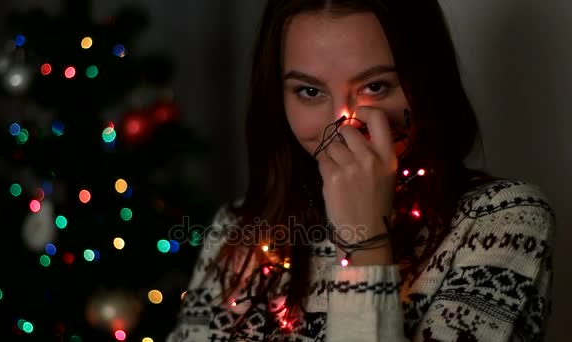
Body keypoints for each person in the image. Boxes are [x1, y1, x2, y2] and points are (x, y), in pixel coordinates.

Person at [167, 0, 556, 341]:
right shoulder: (238, 233)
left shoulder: (502, 220)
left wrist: (366, 240)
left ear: (425, 82)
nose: (343, 121)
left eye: (375, 86)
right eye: (309, 91)